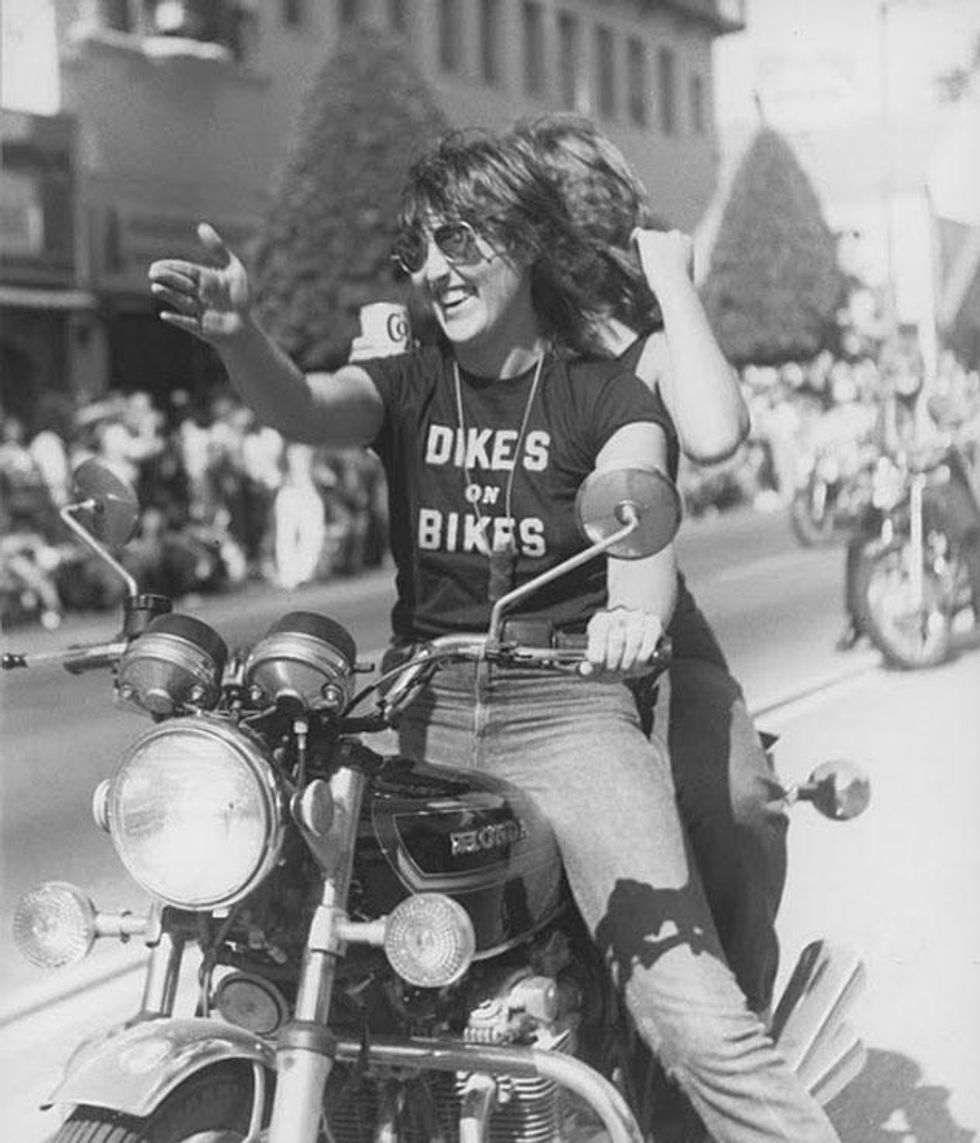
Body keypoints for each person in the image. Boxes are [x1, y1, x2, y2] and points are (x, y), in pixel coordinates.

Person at [149, 130, 842, 1143]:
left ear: (523, 241)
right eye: (418, 248)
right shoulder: (407, 375)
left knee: (694, 1020)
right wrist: (238, 335)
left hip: (565, 716)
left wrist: (623, 625)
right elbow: (305, 405)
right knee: (288, 944)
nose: (432, 268)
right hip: (421, 713)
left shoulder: (608, 395)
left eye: (459, 239)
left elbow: (641, 570)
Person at [509, 113, 788, 1023]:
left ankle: (733, 1038)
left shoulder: (648, 347)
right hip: (512, 645)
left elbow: (713, 432)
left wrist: (673, 285)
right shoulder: (496, 350)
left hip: (649, 634)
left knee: (739, 802)